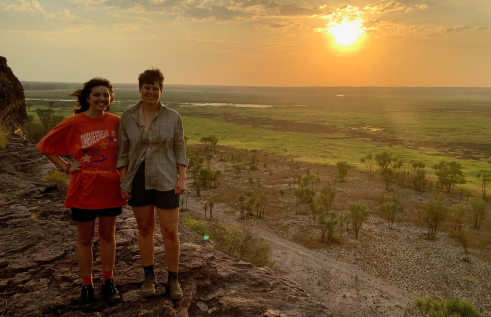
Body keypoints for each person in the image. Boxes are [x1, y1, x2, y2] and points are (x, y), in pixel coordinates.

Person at [36, 78, 126, 304]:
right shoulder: (74, 123)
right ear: (87, 97)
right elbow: (45, 146)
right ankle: (87, 286)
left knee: (108, 236)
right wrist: (66, 167)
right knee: (85, 240)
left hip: (110, 188)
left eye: (106, 95)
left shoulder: (117, 122)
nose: (102, 99)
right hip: (84, 189)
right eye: (97, 94)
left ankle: (108, 281)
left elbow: (127, 152)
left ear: (111, 98)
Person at [117, 68, 188, 300]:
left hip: (166, 178)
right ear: (140, 90)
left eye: (155, 88)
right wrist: (123, 181)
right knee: (145, 229)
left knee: (170, 231)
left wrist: (182, 177)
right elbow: (123, 152)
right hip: (138, 179)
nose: (151, 92)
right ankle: (149, 276)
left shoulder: (173, 117)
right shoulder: (127, 117)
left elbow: (180, 148)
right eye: (146, 88)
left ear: (161, 90)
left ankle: (173, 278)